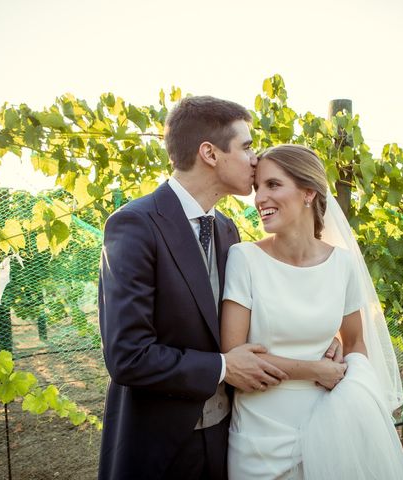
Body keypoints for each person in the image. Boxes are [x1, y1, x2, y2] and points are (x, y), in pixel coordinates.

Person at [97, 97, 341, 480]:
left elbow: (240, 323)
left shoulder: (227, 229)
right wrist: (223, 367)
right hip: (162, 444)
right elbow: (128, 355)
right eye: (246, 147)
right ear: (209, 153)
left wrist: (319, 336)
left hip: (229, 436)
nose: (255, 159)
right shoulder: (135, 225)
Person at [221, 144, 403, 479]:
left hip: (331, 427)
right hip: (260, 435)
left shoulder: (342, 264)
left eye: (273, 185)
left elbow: (354, 344)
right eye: (257, 188)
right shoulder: (244, 259)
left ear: (308, 192)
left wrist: (348, 388)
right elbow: (234, 354)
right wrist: (314, 370)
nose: (259, 198)